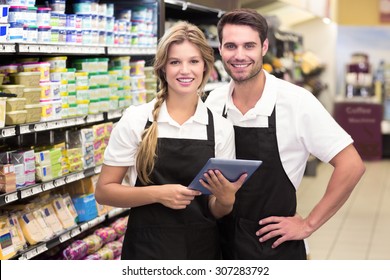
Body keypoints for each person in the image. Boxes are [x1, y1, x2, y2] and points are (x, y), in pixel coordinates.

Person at [205, 8, 366, 260]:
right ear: (220, 49)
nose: (239, 55)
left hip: (274, 247)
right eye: (230, 46)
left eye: (249, 46)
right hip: (220, 242)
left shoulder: (296, 101)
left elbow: (352, 165)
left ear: (264, 47)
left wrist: (308, 224)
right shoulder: (214, 101)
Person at [95, 21, 247, 260]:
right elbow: (104, 192)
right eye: (175, 62)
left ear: (206, 67)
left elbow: (215, 209)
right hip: (147, 249)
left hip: (201, 250)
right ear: (163, 68)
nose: (185, 71)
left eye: (193, 61)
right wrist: (158, 194)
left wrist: (227, 200)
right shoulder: (136, 119)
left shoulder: (220, 127)